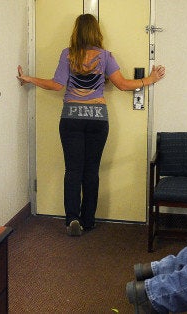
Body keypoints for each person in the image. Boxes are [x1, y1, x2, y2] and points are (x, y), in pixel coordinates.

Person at [17, 13, 166, 236]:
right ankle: (88, 220)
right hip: (97, 120)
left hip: (71, 119)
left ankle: (71, 220)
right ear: (96, 32)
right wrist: (150, 80)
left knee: (72, 170)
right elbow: (124, 85)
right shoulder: (105, 56)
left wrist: (30, 78)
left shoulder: (68, 55)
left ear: (76, 32)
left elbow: (57, 85)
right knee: (91, 171)